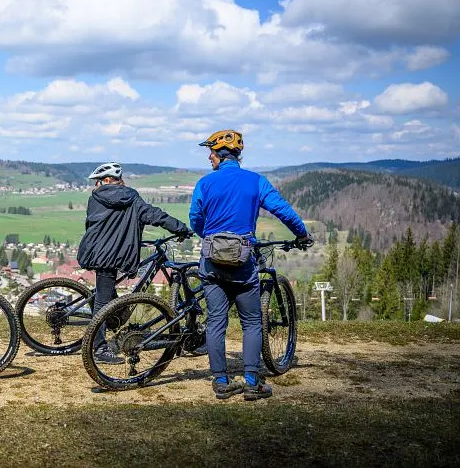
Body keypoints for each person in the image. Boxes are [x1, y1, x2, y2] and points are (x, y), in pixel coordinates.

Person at [189, 130, 313, 401]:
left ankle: (221, 382)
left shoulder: (205, 183)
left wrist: (212, 238)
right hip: (243, 263)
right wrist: (302, 234)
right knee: (253, 322)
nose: (209, 157)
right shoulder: (256, 181)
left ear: (220, 154)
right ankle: (251, 382)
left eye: (210, 152)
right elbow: (282, 210)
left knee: (215, 322)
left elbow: (195, 219)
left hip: (211, 263)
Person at [77, 162, 192, 364]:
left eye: (97, 181)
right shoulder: (132, 199)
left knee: (105, 295)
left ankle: (110, 322)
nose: (95, 185)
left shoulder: (95, 199)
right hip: (111, 257)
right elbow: (155, 215)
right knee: (103, 301)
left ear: (105, 181)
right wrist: (180, 228)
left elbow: (93, 224)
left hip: (95, 253)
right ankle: (99, 347)